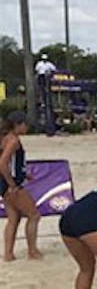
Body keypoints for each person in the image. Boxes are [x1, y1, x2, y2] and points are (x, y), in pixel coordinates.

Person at [2, 112, 43, 261]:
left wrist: (23, 174)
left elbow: (12, 163)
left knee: (13, 218)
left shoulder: (6, 138)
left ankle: (8, 253)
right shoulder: (13, 140)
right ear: (18, 125)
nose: (27, 127)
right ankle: (32, 251)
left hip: (5, 183)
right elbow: (3, 164)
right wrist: (12, 184)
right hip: (11, 184)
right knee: (34, 215)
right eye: (25, 124)